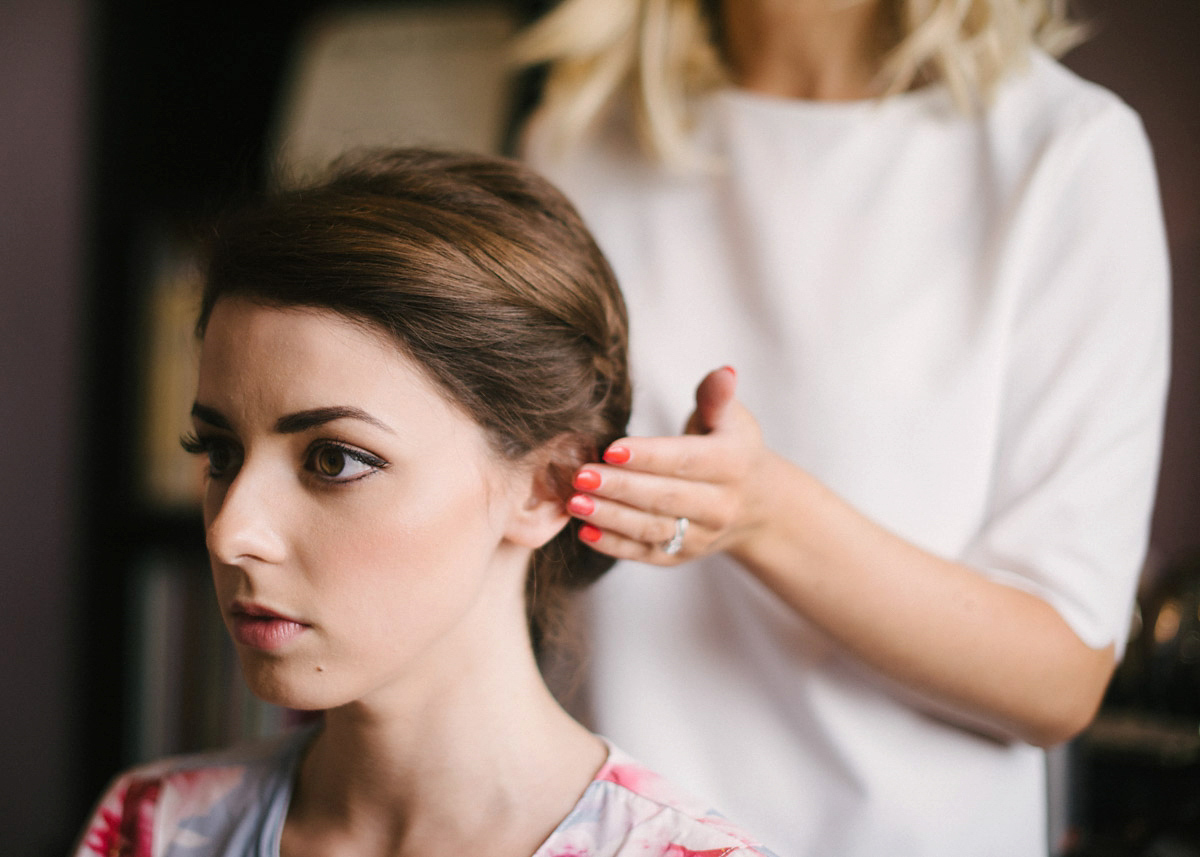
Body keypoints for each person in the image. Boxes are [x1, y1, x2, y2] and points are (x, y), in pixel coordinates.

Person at [516, 1, 1172, 854]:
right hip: (598, 833)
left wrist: (764, 512)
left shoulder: (1064, 152)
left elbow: (1057, 681)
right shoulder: (573, 140)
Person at [72, 149, 779, 857]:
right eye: (221, 453)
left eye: (334, 459)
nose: (230, 532)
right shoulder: (150, 827)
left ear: (546, 485)